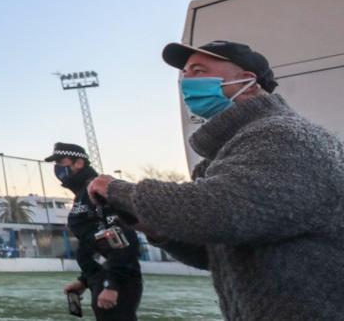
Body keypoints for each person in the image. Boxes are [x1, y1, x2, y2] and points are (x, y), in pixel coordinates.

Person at [88, 40, 344, 320]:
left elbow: (219, 210)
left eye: (198, 71)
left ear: (247, 80)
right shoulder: (231, 148)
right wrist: (156, 230)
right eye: (185, 74)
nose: (186, 81)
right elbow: (217, 249)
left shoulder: (284, 135)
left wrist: (119, 190)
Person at [45, 142, 142, 320]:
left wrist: (112, 284)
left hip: (117, 279)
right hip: (102, 277)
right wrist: (84, 280)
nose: (57, 168)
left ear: (79, 163)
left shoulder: (98, 190)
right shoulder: (82, 194)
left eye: (61, 161)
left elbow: (124, 238)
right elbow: (93, 240)